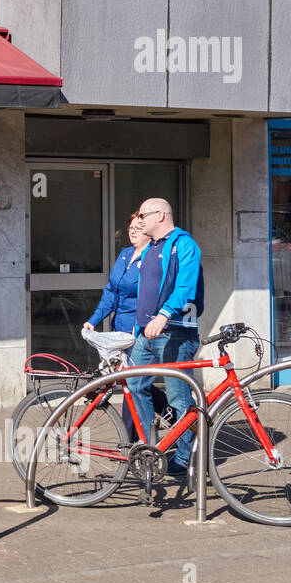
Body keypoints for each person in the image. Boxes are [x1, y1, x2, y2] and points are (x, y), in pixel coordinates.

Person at [127, 197, 205, 478]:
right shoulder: (150, 248)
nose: (140, 221)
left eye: (144, 215)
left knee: (178, 396)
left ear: (160, 215)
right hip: (145, 333)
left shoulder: (183, 244)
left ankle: (186, 457)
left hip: (174, 332)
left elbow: (185, 286)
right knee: (134, 385)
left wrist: (163, 314)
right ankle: (151, 448)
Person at [83, 213, 148, 335]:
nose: (133, 232)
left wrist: (140, 324)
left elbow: (154, 296)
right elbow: (112, 291)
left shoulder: (153, 257)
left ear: (147, 230)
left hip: (139, 331)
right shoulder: (125, 254)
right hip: (119, 326)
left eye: (138, 228)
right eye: (130, 228)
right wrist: (93, 320)